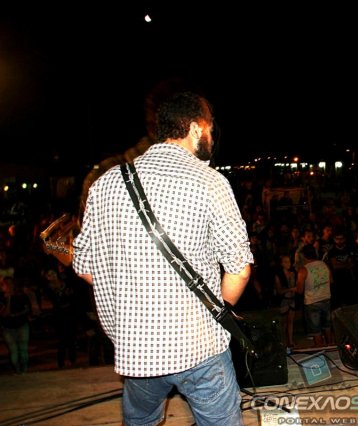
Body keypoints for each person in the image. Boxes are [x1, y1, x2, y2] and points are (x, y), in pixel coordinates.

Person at [72, 91, 253, 425]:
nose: (212, 137)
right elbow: (239, 269)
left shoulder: (106, 184)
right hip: (200, 347)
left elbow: (86, 268)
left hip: (137, 351)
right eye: (210, 128)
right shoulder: (210, 182)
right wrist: (217, 310)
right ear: (196, 128)